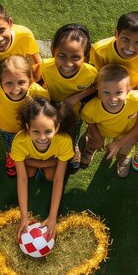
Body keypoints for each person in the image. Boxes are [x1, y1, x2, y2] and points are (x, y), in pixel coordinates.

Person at [11, 98, 75, 239]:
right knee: (28, 173)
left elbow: (59, 179)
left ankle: (37, 164)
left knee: (51, 177)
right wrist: (23, 216)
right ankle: (38, 165)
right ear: (27, 127)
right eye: (36, 131)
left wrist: (52, 217)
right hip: (48, 161)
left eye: (48, 131)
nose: (42, 138)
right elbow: (21, 178)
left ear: (57, 128)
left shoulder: (64, 141)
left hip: (38, 161)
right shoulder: (19, 141)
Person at [38, 24, 99, 168]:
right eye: (62, 55)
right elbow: (37, 81)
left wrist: (77, 97)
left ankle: (74, 147)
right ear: (53, 51)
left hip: (75, 114)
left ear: (86, 56)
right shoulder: (45, 67)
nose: (68, 63)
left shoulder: (91, 73)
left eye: (76, 57)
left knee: (73, 132)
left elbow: (96, 86)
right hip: (51, 110)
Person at [0, 55, 49, 177]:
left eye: (21, 82)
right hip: (6, 129)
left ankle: (31, 157)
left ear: (30, 80)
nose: (15, 88)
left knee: (31, 146)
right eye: (9, 83)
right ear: (0, 82)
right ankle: (12, 157)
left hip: (29, 130)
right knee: (11, 147)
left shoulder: (39, 92)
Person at [79, 64, 138, 177]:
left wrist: (119, 143)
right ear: (99, 92)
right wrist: (98, 137)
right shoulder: (90, 109)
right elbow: (90, 122)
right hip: (102, 131)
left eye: (119, 92)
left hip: (126, 132)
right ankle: (90, 150)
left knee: (126, 146)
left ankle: (122, 157)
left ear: (128, 90)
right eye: (106, 93)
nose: (113, 99)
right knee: (93, 140)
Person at [89, 11, 138, 89]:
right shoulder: (99, 51)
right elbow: (96, 78)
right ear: (116, 33)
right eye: (125, 39)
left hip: (134, 89)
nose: (130, 47)